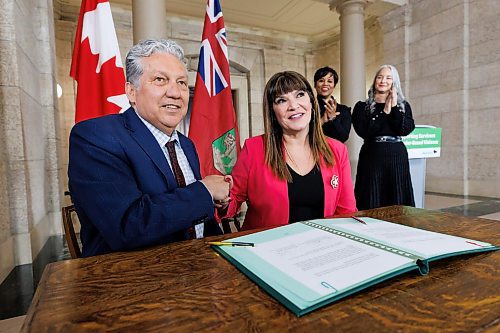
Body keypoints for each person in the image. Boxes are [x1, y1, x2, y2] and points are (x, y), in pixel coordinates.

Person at [68, 39, 231, 257]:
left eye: (182, 82)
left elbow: (185, 206)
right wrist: (205, 191)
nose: (175, 92)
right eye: (160, 80)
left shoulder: (186, 145)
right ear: (131, 92)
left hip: (200, 265)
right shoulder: (96, 136)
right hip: (134, 279)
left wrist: (210, 202)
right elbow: (127, 225)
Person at [218, 71, 356, 230]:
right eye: (282, 100)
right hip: (268, 247)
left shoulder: (337, 150)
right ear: (273, 111)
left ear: (311, 100)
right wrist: (222, 201)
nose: (293, 106)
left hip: (322, 246)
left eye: (300, 95)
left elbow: (346, 212)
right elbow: (233, 200)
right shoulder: (254, 148)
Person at [351, 64, 415, 210]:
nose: (383, 81)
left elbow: (405, 129)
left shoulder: (403, 105)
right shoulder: (362, 106)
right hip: (372, 155)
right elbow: (363, 130)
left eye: (388, 77)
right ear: (374, 80)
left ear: (394, 82)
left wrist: (393, 108)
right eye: (379, 77)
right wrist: (383, 112)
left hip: (396, 155)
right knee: (371, 195)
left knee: (397, 195)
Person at [313, 66, 352, 142]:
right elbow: (303, 133)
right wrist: (322, 120)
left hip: (335, 152)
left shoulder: (344, 110)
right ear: (315, 84)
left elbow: (343, 137)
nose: (325, 84)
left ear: (334, 85)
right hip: (313, 150)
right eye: (321, 81)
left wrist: (333, 119)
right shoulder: (309, 107)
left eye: (330, 81)